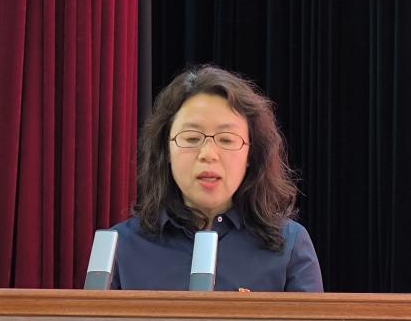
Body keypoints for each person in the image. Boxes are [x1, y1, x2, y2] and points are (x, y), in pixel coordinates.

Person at [111, 65, 323, 292]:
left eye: (226, 139)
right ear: (166, 150)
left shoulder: (289, 244)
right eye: (191, 138)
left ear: (251, 153)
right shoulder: (121, 246)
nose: (208, 154)